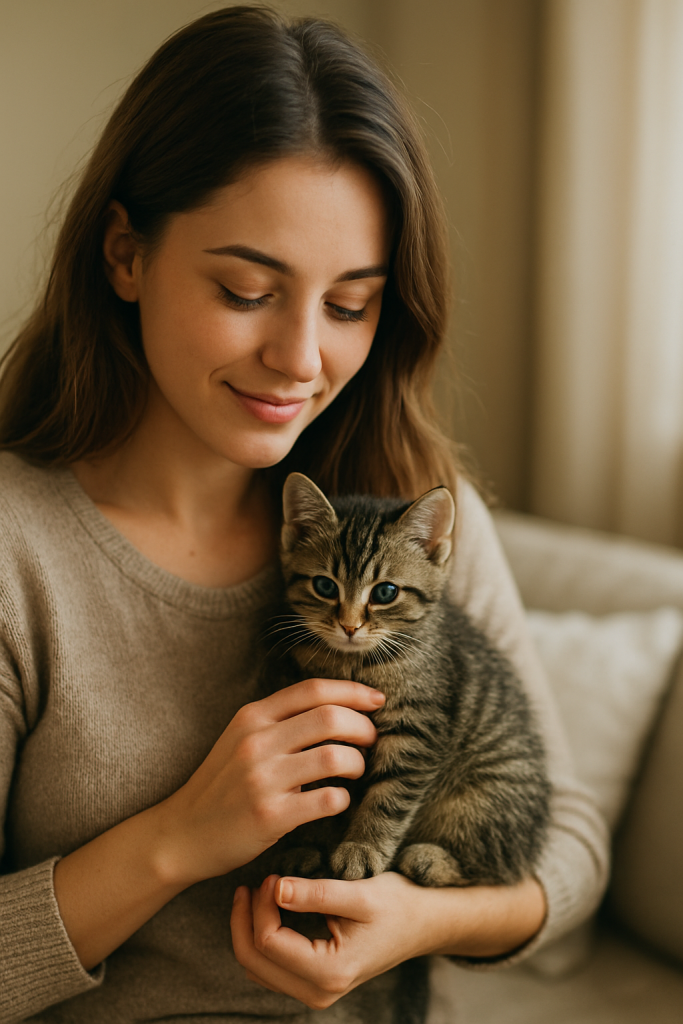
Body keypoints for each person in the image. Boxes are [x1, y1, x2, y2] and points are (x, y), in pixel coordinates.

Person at [0, 6, 608, 1022]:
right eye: (246, 289)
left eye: (349, 305)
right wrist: (176, 839)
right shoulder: (19, 548)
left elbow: (571, 843)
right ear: (124, 255)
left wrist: (421, 921)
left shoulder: (415, 495)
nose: (300, 358)